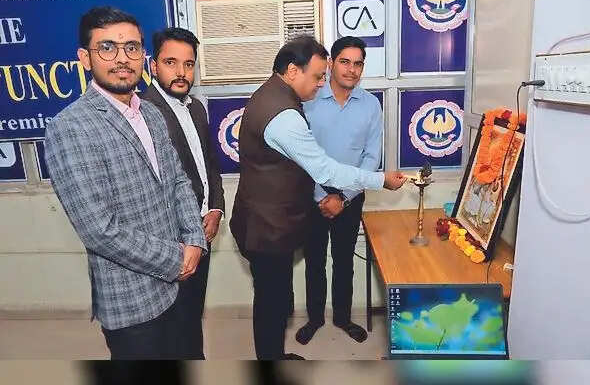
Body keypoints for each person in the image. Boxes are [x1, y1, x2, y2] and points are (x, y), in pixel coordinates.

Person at [229, 35, 408, 360]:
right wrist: (381, 180)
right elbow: (323, 169)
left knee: (279, 296)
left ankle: (284, 350)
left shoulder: (272, 94)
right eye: (317, 76)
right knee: (275, 297)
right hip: (277, 220)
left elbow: (365, 156)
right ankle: (278, 352)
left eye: (358, 64)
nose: (320, 83)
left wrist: (345, 197)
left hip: (290, 215)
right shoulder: (285, 112)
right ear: (292, 71)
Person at [44, 6, 207, 360]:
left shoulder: (151, 112)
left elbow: (178, 181)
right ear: (85, 58)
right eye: (107, 48)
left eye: (131, 47)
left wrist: (194, 240)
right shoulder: (70, 127)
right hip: (131, 301)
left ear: (143, 56)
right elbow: (99, 229)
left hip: (181, 285)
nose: (122, 58)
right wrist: (177, 259)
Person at [141, 27, 225, 360]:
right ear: (153, 66)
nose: (181, 72)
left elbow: (210, 165)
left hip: (203, 232)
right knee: (170, 326)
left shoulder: (197, 108)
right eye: (170, 62)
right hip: (169, 240)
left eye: (188, 64)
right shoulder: (141, 113)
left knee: (191, 316)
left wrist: (215, 209)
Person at [296, 36, 380, 346]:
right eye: (345, 61)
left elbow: (371, 158)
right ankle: (315, 319)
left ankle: (343, 318)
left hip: (350, 197)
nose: (351, 69)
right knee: (314, 262)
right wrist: (322, 196)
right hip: (312, 197)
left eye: (358, 63)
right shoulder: (309, 99)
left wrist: (343, 197)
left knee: (344, 262)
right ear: (331, 63)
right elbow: (299, 153)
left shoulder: (370, 105)